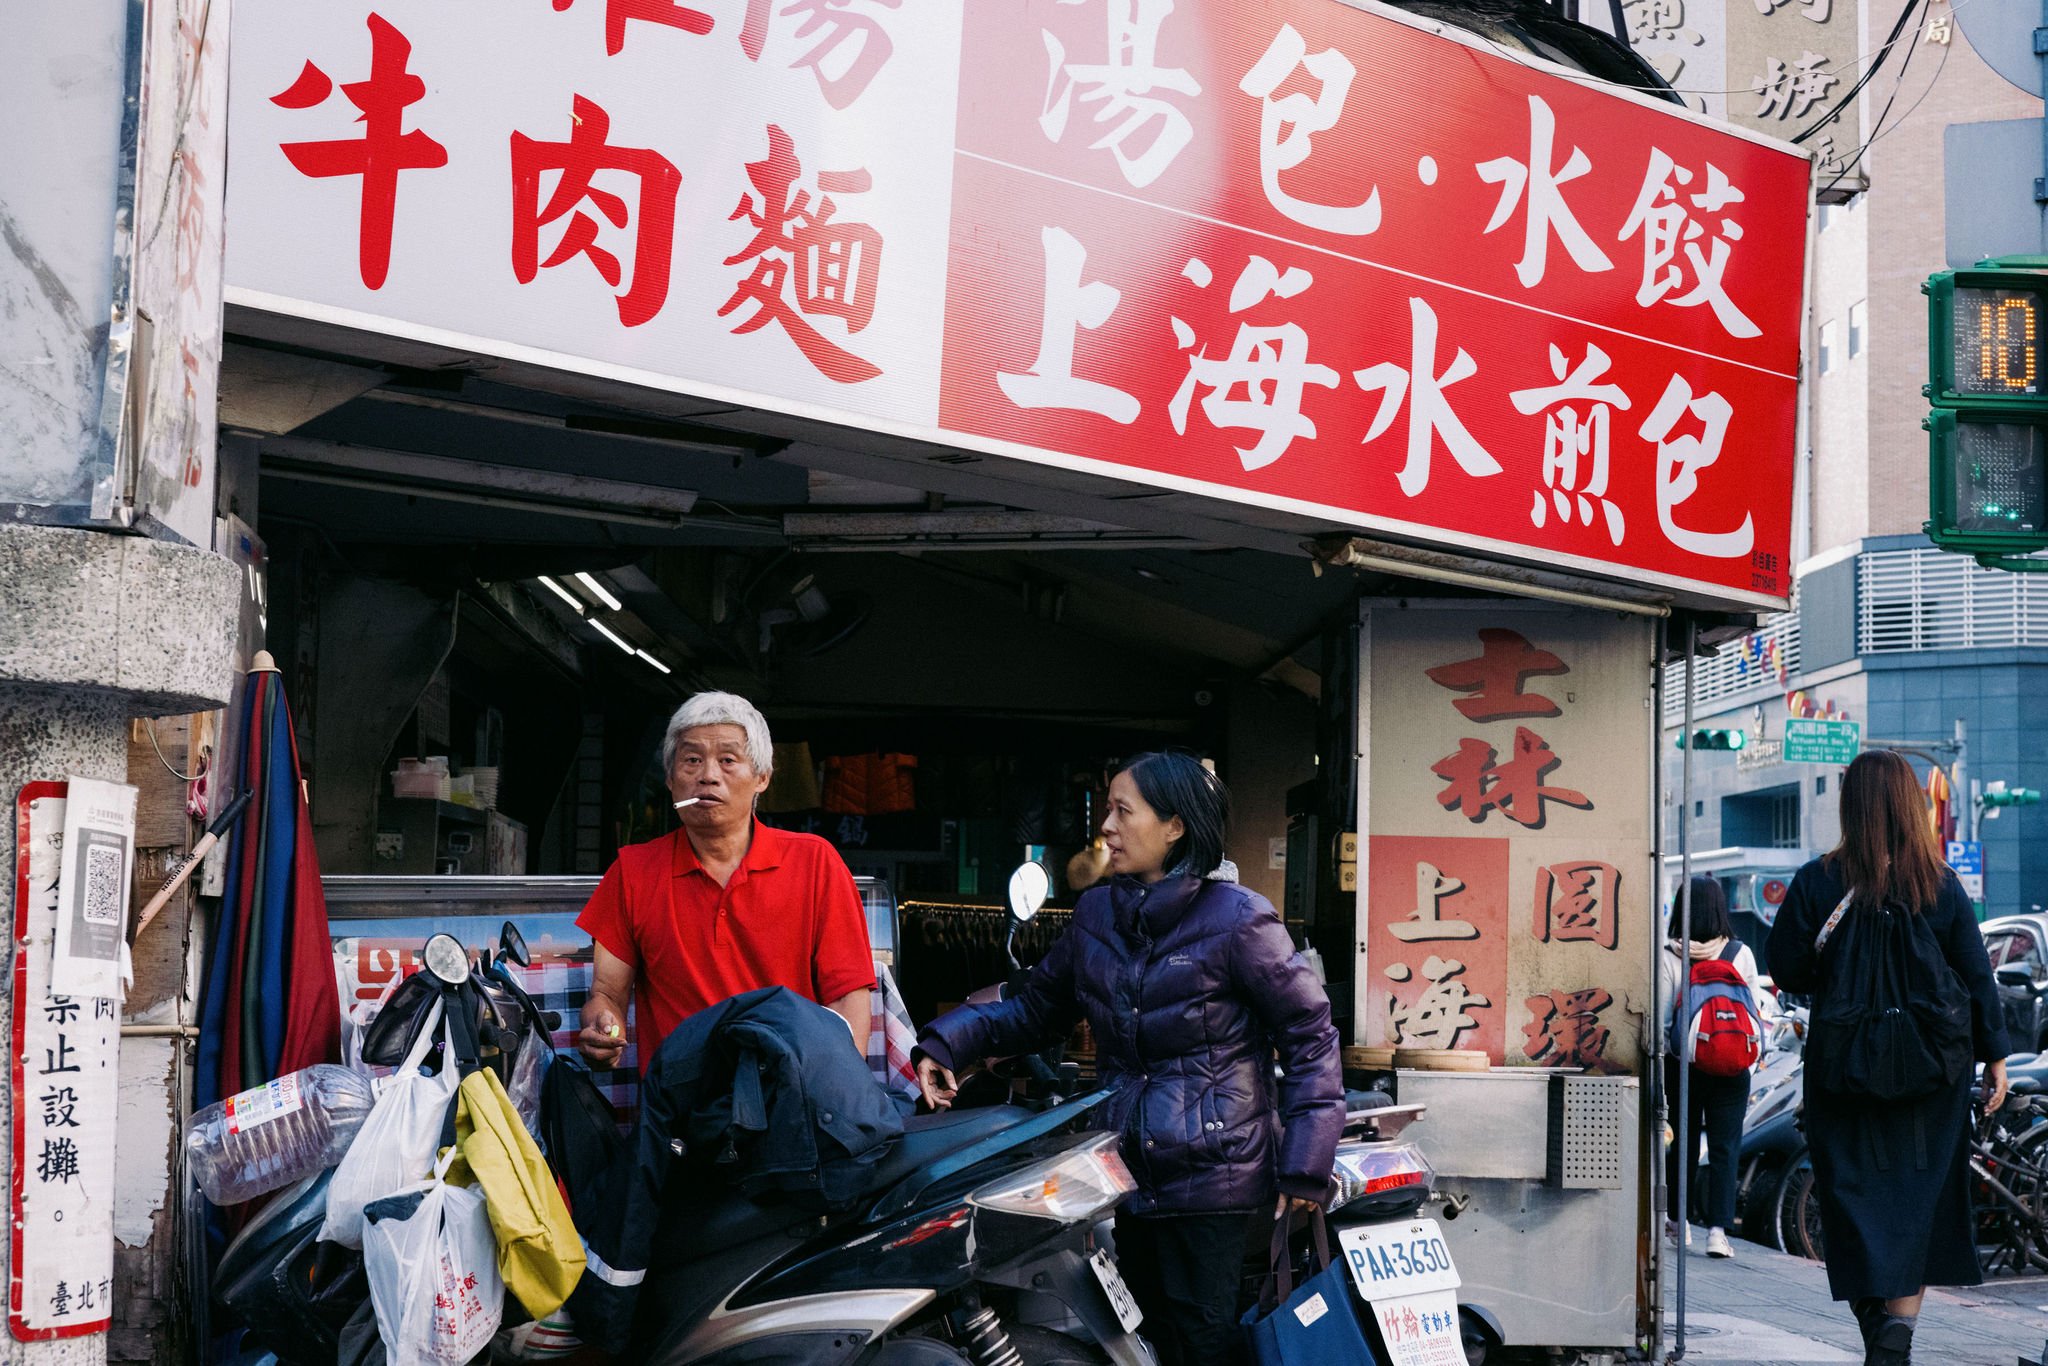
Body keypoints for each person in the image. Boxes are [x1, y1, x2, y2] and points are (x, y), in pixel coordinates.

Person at [913, 752, 1343, 1366]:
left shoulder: (1240, 919)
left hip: (1213, 1174)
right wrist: (946, 1041)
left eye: (1123, 811)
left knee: (1201, 1342)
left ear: (1175, 827)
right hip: (1125, 1170)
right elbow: (1037, 1008)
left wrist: (1306, 1163)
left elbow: (1310, 1036)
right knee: (1144, 1344)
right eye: (1105, 810)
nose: (1107, 827)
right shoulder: (1097, 914)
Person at [1766, 750, 2009, 1366]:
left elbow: (1787, 967)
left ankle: (1882, 1335)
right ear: (1912, 804)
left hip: (1843, 1072)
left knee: (1850, 1204)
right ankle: (1893, 1342)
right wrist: (1995, 1059)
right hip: (1932, 1079)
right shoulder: (1941, 883)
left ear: (1851, 805)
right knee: (1915, 1210)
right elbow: (1977, 977)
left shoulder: (1819, 880)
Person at [575, 691, 874, 1069]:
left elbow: (846, 998)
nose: (708, 776)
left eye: (728, 760)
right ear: (669, 779)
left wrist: (836, 1093)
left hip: (789, 1097)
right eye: (692, 760)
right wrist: (603, 1028)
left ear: (762, 778)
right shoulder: (634, 870)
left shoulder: (815, 862)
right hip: (679, 1105)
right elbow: (606, 994)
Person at [1660, 875, 1762, 1260]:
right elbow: (1753, 1011)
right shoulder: (1741, 953)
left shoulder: (1669, 954)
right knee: (1725, 1147)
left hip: (1681, 1066)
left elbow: (1663, 1022)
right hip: (1731, 1065)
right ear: (1721, 908)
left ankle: (1679, 1223)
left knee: (1679, 1144)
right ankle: (1718, 1232)